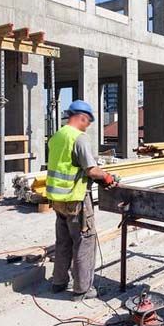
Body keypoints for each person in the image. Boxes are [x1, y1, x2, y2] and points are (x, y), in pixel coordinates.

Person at [46, 99, 118, 300]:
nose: (88, 126)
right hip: (76, 199)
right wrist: (107, 177)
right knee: (84, 243)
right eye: (88, 122)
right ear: (82, 118)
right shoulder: (79, 138)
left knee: (63, 242)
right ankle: (83, 289)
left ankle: (58, 282)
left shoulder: (56, 137)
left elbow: (67, 165)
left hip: (58, 200)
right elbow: (91, 169)